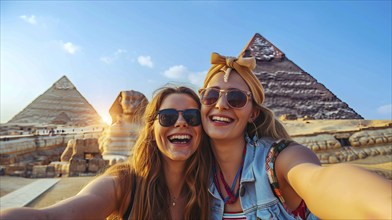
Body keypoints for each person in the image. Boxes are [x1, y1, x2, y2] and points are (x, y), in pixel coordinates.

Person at [199, 52, 391, 219]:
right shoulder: (192, 169)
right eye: (211, 95)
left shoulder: (278, 161)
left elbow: (319, 180)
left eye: (236, 98)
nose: (220, 105)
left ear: (253, 113)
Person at [1, 86, 211, 220]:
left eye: (192, 117)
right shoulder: (123, 184)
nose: (181, 122)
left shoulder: (211, 188)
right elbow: (52, 216)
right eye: (168, 117)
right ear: (152, 127)